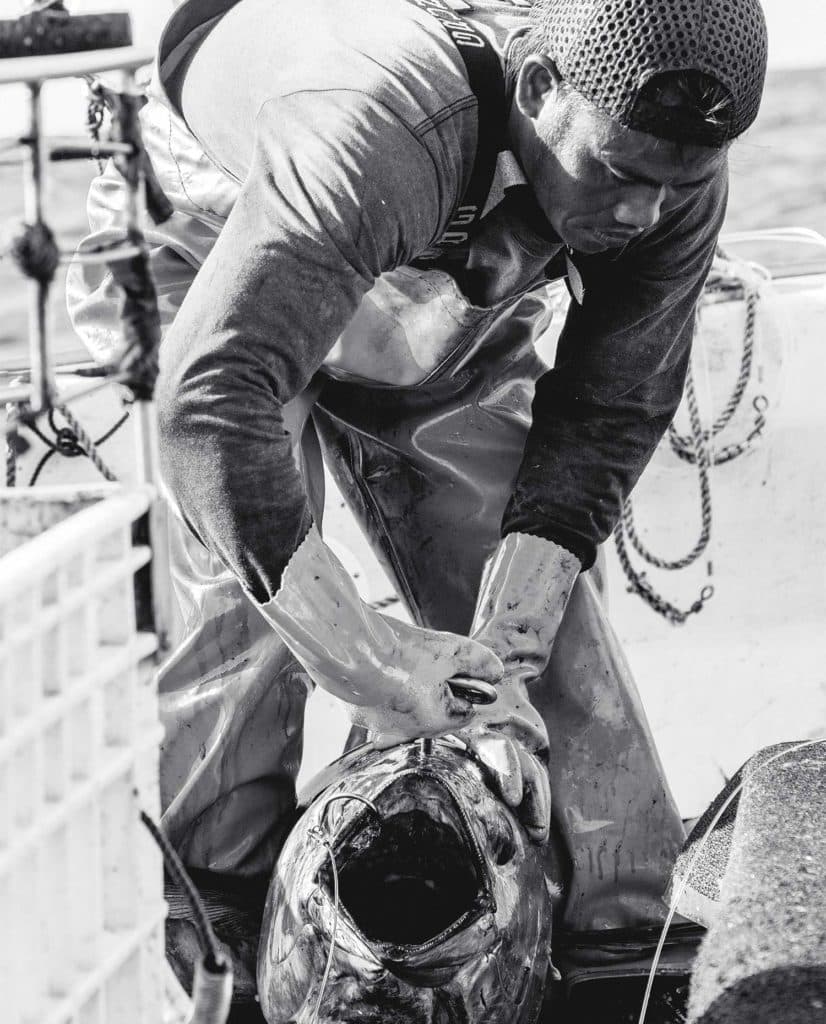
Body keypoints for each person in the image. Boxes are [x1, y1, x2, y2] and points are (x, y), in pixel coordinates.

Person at [68, 0, 768, 1007]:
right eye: (617, 176)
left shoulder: (664, 168)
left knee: (535, 633)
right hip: (219, 244)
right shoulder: (381, 123)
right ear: (538, 92)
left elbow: (609, 410)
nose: (639, 216)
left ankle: (623, 949)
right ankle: (221, 921)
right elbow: (211, 410)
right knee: (241, 612)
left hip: (434, 266)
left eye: (675, 185)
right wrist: (371, 661)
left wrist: (507, 649)